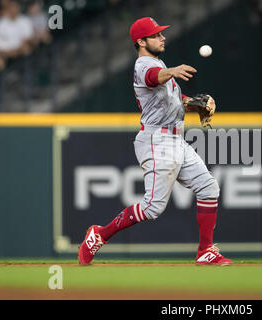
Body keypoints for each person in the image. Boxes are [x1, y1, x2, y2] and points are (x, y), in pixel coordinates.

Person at [78, 17, 232, 266]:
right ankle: (100, 234)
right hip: (156, 141)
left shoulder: (159, 63)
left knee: (209, 187)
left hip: (176, 139)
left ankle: (205, 251)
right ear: (141, 41)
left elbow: (173, 97)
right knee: (152, 208)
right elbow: (152, 77)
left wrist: (193, 104)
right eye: (156, 35)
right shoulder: (144, 65)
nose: (162, 37)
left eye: (161, 34)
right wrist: (171, 71)